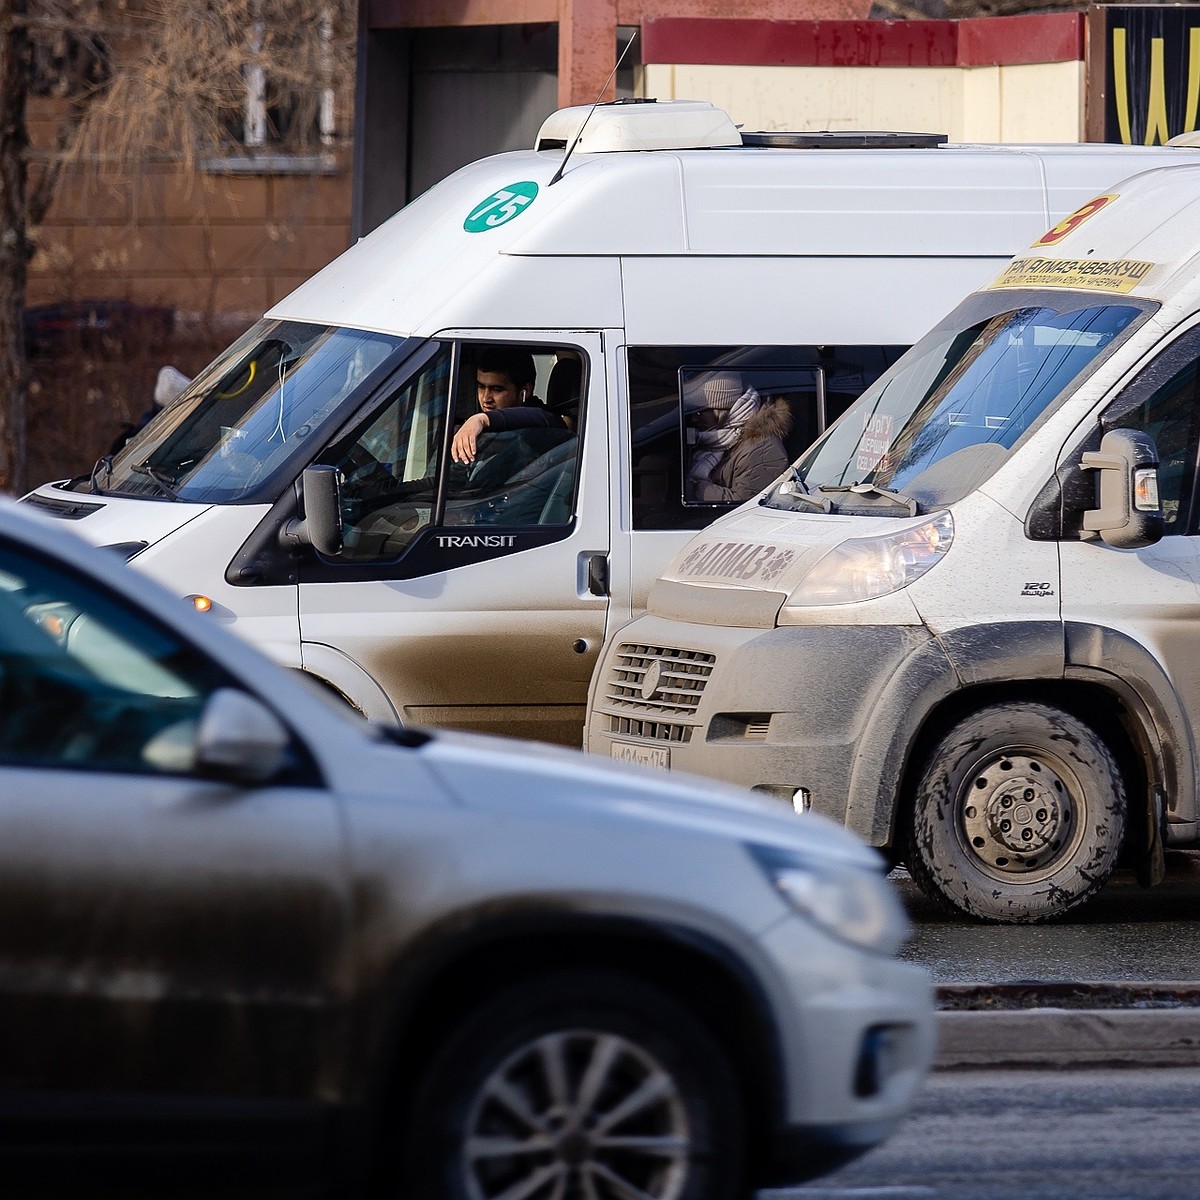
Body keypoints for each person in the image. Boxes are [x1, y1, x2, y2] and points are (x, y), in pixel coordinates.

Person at [684, 371, 793, 503]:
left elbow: (746, 505)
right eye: (692, 411)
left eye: (700, 412)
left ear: (724, 412)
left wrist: (694, 487)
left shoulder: (762, 449)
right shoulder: (710, 439)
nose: (694, 418)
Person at [451, 347, 566, 465]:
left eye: (497, 389)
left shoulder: (546, 424)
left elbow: (542, 417)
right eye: (481, 387)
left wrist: (482, 419)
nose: (486, 398)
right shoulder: (469, 427)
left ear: (525, 391)